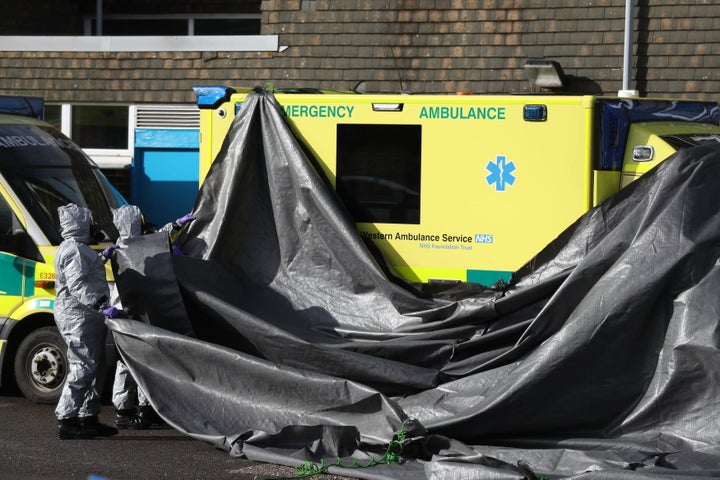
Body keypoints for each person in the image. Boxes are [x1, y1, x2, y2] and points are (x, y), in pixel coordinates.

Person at [107, 205, 195, 429]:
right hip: (128, 313)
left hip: (134, 312)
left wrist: (177, 224)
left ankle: (144, 409)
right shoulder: (125, 248)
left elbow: (160, 236)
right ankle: (126, 410)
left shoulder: (130, 245)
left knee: (141, 362)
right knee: (128, 364)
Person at [53, 203, 120, 440]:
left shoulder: (78, 248)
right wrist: (102, 305)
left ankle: (88, 417)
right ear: (80, 224)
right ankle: (67, 420)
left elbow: (86, 272)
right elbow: (78, 285)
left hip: (86, 316)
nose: (94, 227)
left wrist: (102, 256)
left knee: (95, 366)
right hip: (78, 316)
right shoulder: (74, 249)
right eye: (89, 222)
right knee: (83, 366)